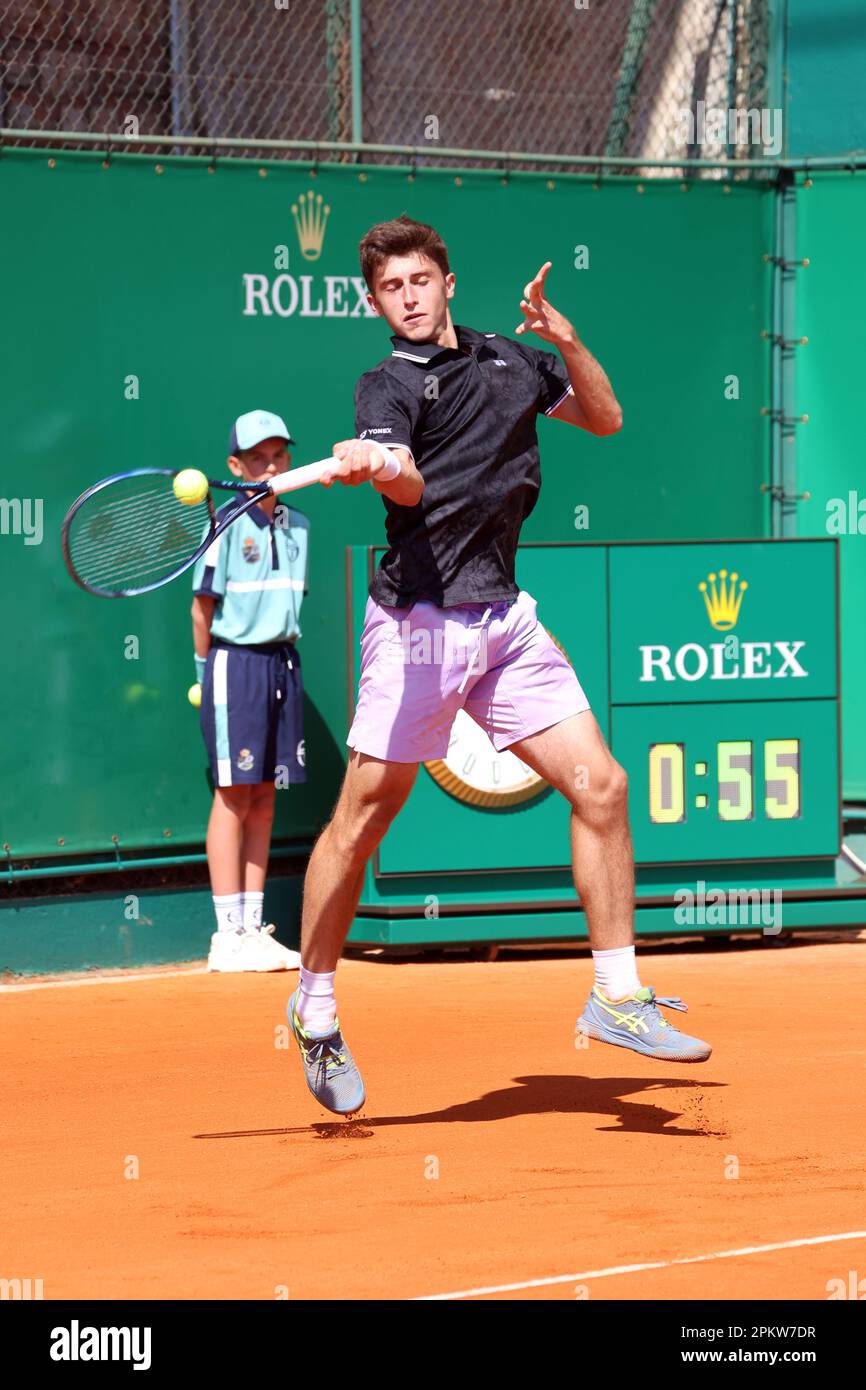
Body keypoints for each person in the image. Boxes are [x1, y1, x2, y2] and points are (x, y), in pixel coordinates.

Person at [287, 215, 711, 1113]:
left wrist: (568, 340)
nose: (407, 298)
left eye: (419, 281)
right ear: (375, 301)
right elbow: (404, 473)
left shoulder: (512, 360)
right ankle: (315, 1006)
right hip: (419, 630)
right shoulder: (386, 384)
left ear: (448, 282)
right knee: (362, 820)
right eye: (389, 288)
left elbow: (605, 418)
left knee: (602, 786)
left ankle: (617, 996)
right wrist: (378, 462)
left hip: (504, 619)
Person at [191, 409, 307, 972]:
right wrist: (202, 672)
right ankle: (225, 934)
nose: (269, 466)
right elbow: (202, 607)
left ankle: (252, 929)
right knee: (233, 794)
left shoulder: (299, 523)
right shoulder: (223, 525)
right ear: (234, 466)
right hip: (233, 665)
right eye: (256, 458)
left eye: (278, 455)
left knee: (265, 795)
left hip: (283, 664)